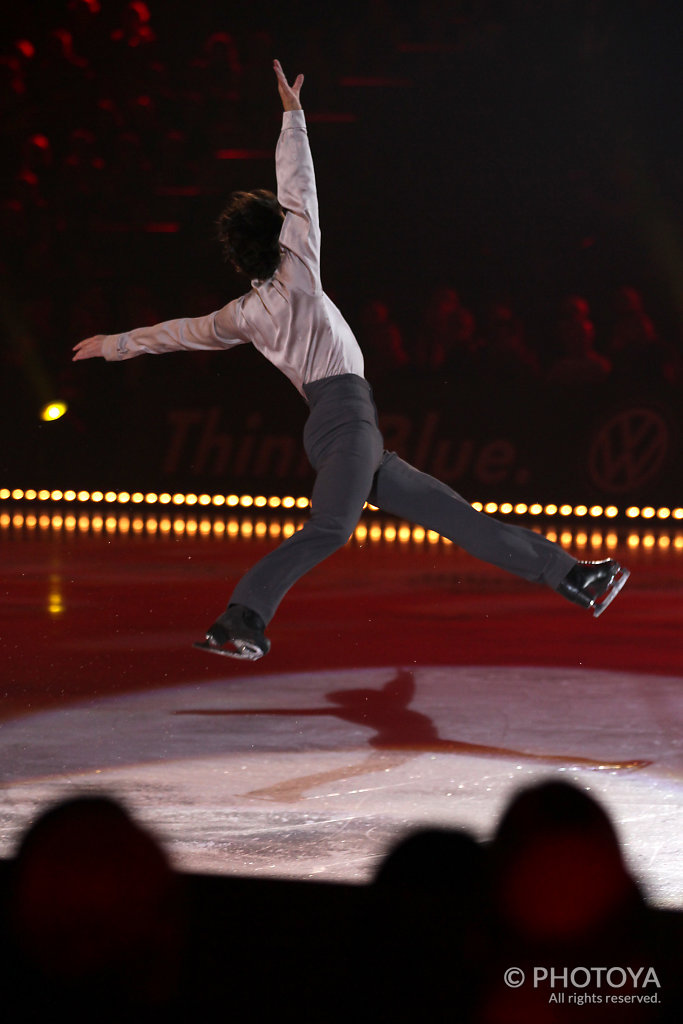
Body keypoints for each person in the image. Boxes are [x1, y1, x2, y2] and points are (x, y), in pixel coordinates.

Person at [73, 60, 629, 660]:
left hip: (339, 427)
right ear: (279, 236)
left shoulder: (242, 313)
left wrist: (115, 344)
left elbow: (180, 332)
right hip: (345, 418)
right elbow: (300, 194)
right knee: (332, 528)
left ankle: (575, 576)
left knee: (458, 518)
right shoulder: (299, 275)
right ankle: (241, 617)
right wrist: (294, 120)